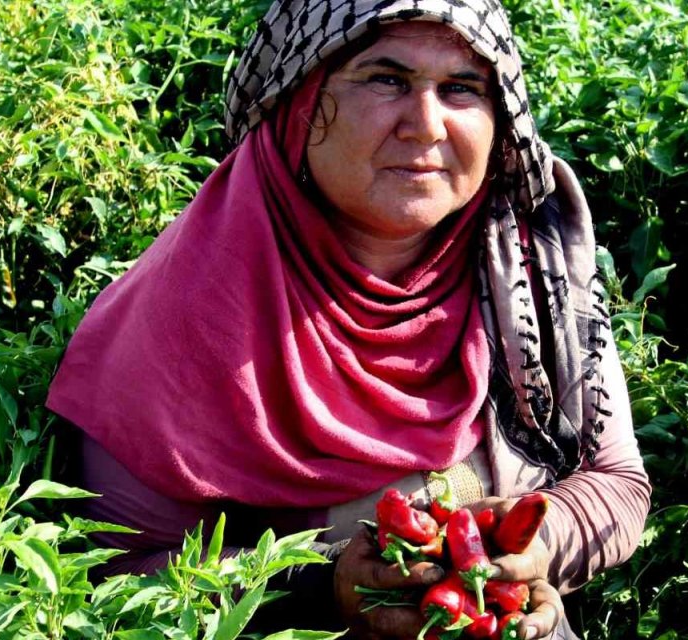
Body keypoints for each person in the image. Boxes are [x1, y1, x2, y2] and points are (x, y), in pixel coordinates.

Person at [46, 1, 651, 638]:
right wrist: (320, 585)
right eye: (386, 79)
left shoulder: (528, 266)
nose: (427, 126)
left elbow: (617, 481)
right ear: (299, 104)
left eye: (461, 88)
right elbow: (121, 576)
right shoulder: (185, 310)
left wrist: (536, 547)